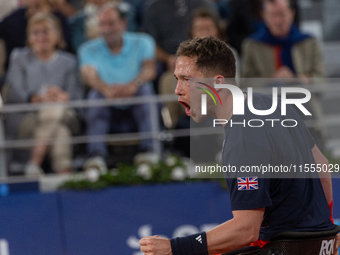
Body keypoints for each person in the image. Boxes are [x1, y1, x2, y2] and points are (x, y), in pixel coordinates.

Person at [139, 36, 338, 254]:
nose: (177, 89)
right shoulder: (272, 104)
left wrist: (173, 248)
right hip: (319, 243)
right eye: (177, 79)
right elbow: (321, 165)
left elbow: (246, 229)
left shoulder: (243, 137)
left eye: (187, 79)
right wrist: (326, 227)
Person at [79, 2, 157, 171]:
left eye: (111, 23)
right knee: (94, 96)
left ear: (124, 23)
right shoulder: (88, 49)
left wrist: (133, 85)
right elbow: (88, 75)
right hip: (107, 104)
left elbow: (149, 69)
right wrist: (106, 89)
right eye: (102, 24)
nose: (106, 29)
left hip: (135, 100)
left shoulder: (143, 42)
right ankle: (96, 155)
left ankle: (150, 151)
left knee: (145, 91)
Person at [5, 13, 83, 176]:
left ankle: (34, 162)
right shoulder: (19, 58)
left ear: (57, 34)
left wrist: (63, 96)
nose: (41, 36)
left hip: (66, 114)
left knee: (54, 107)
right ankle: (65, 178)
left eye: (46, 31)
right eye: (36, 32)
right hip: (27, 118)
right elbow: (14, 92)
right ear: (29, 36)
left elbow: (77, 95)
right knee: (61, 132)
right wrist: (35, 98)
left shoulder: (69, 61)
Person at [70, 0, 137, 51]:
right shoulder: (80, 17)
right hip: (93, 54)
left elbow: (129, 34)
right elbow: (78, 44)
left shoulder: (125, 12)